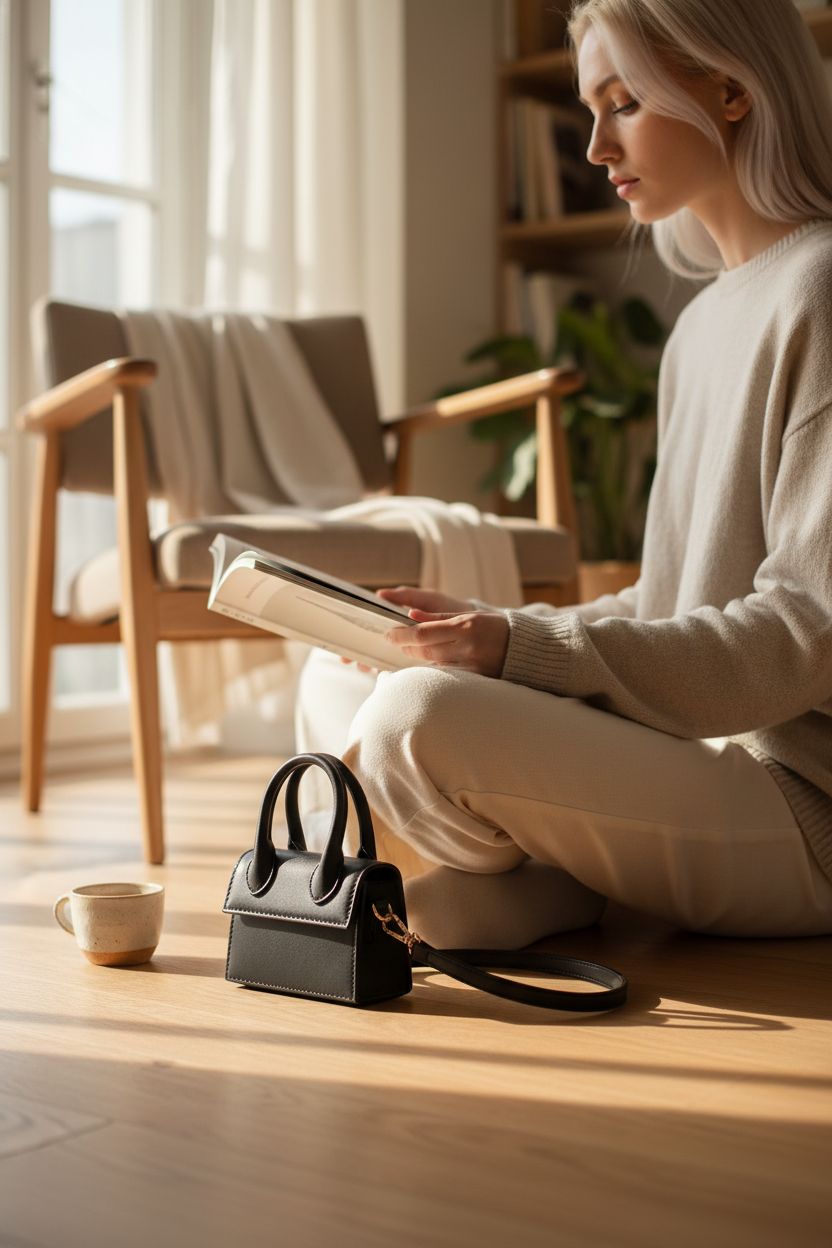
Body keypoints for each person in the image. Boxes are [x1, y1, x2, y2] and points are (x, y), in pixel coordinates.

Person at [338, 0, 832, 950]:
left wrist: (515, 655)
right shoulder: (697, 329)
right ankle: (561, 881)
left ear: (730, 88)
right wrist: (482, 635)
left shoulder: (820, 291)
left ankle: (528, 877)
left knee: (413, 714)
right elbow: (669, 597)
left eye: (624, 103)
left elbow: (804, 634)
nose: (598, 147)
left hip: (794, 801)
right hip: (685, 754)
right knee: (345, 669)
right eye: (589, 109)